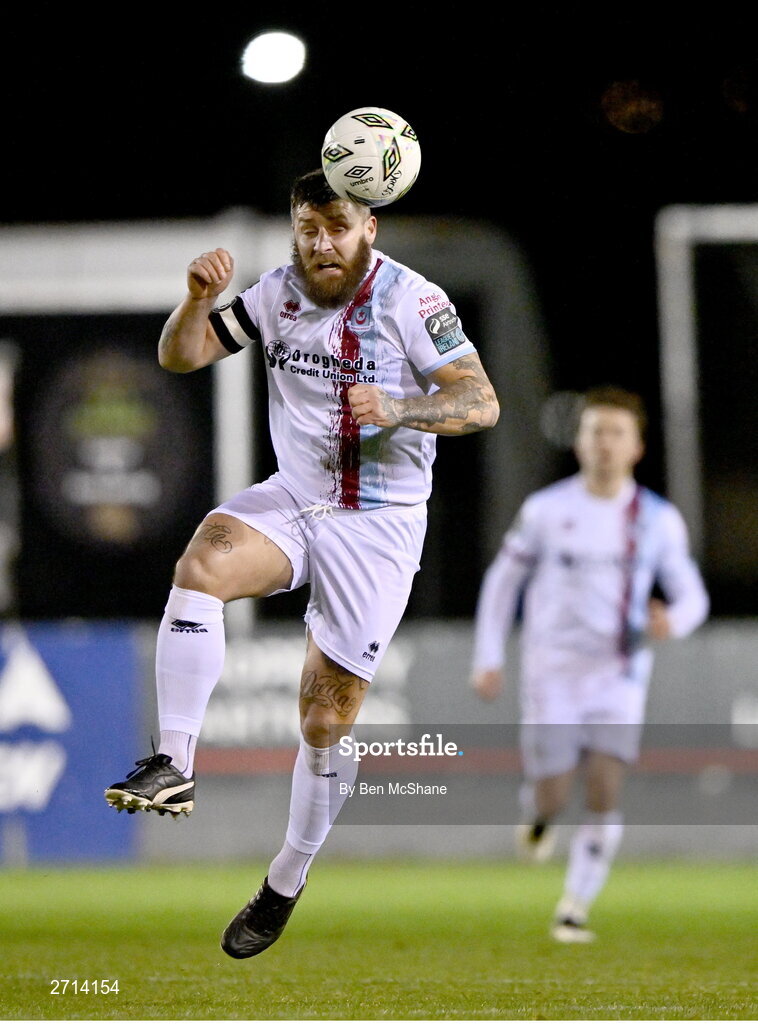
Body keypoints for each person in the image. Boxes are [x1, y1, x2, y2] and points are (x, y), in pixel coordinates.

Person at [104, 168, 499, 957]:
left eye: (337, 229)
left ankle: (286, 880)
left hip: (378, 526)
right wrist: (192, 300)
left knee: (323, 722)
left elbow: (480, 400)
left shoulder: (414, 302)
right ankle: (173, 764)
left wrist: (402, 407)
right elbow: (182, 357)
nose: (321, 245)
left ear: (369, 231)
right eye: (307, 229)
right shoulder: (275, 292)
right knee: (203, 564)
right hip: (297, 498)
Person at [470, 386, 708, 943]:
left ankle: (573, 907)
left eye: (616, 433)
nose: (605, 443)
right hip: (552, 670)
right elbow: (504, 582)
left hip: (619, 671)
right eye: (595, 431)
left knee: (604, 785)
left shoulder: (657, 519)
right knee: (554, 792)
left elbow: (692, 595)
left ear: (637, 447)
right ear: (578, 443)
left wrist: (674, 621)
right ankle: (540, 812)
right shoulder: (547, 511)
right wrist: (488, 655)